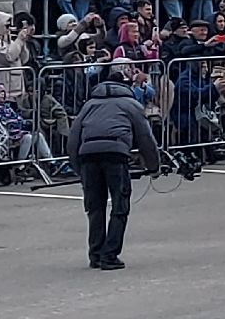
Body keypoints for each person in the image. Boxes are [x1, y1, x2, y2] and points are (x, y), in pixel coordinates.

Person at [67, 67, 163, 270]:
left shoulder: (89, 105)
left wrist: (78, 168)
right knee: (120, 205)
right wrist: (154, 166)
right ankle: (109, 255)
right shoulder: (131, 104)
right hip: (115, 153)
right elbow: (146, 138)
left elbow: (73, 137)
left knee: (95, 207)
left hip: (88, 155)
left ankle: (95, 253)